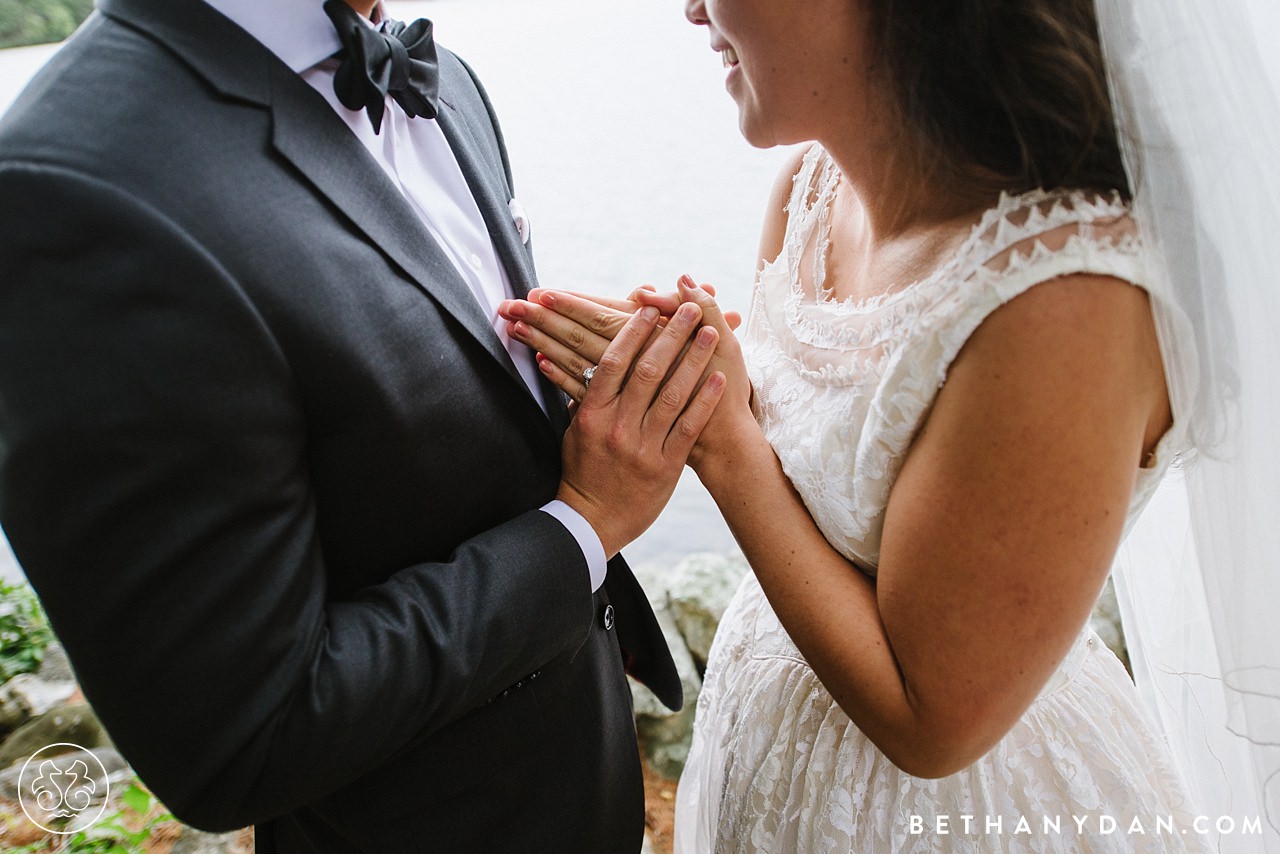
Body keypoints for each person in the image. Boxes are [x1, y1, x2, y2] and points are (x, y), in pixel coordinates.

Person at [496, 0, 1273, 848]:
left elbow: (930, 722)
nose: (690, 8)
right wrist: (682, 372)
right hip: (773, 751)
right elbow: (818, 469)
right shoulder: (810, 189)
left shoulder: (1069, 300)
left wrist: (720, 439)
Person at [0, 0, 726, 850]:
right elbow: (242, 739)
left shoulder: (444, 80)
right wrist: (586, 526)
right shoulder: (74, 188)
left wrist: (595, 382)